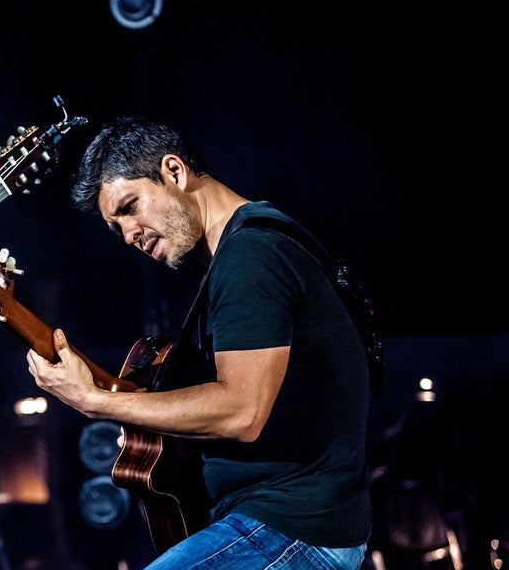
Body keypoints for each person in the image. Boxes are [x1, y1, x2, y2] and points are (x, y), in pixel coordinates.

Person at [25, 117, 372, 569]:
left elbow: (241, 411)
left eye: (130, 207)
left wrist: (95, 402)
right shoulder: (245, 251)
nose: (129, 234)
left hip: (292, 530)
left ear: (174, 171)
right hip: (277, 526)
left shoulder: (251, 257)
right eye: (116, 228)